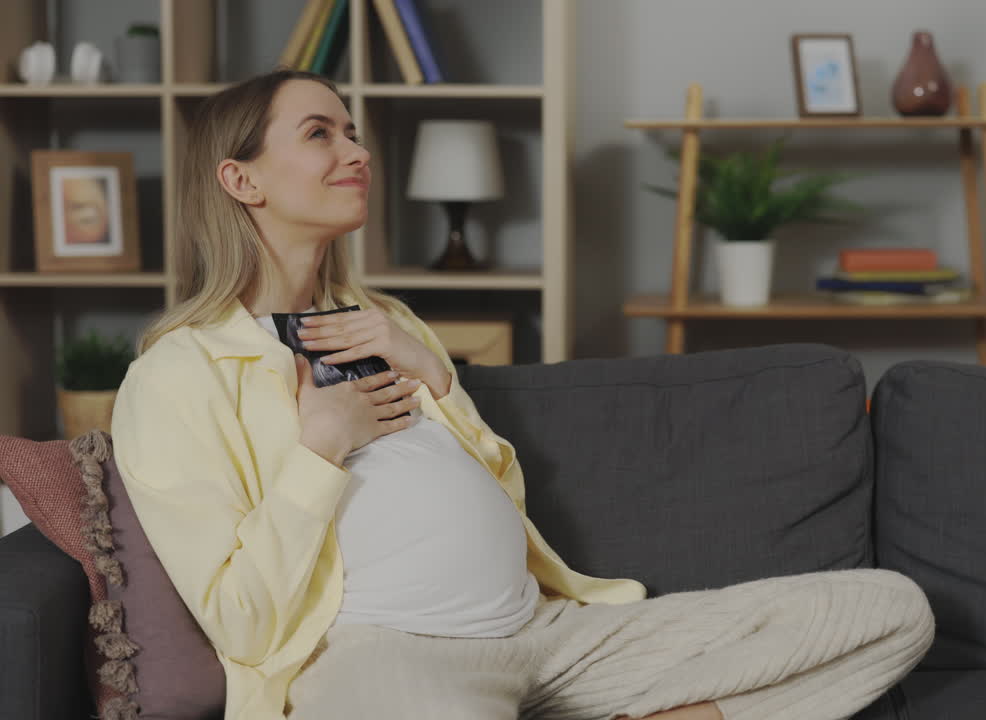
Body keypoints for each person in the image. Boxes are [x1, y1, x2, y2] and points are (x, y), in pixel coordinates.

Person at [111, 69, 935, 720]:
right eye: (320, 133)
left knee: (891, 610)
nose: (357, 153)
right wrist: (316, 451)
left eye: (355, 133)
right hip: (392, 653)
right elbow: (241, 621)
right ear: (241, 180)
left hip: (548, 635)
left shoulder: (389, 320)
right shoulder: (178, 376)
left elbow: (500, 487)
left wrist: (434, 376)